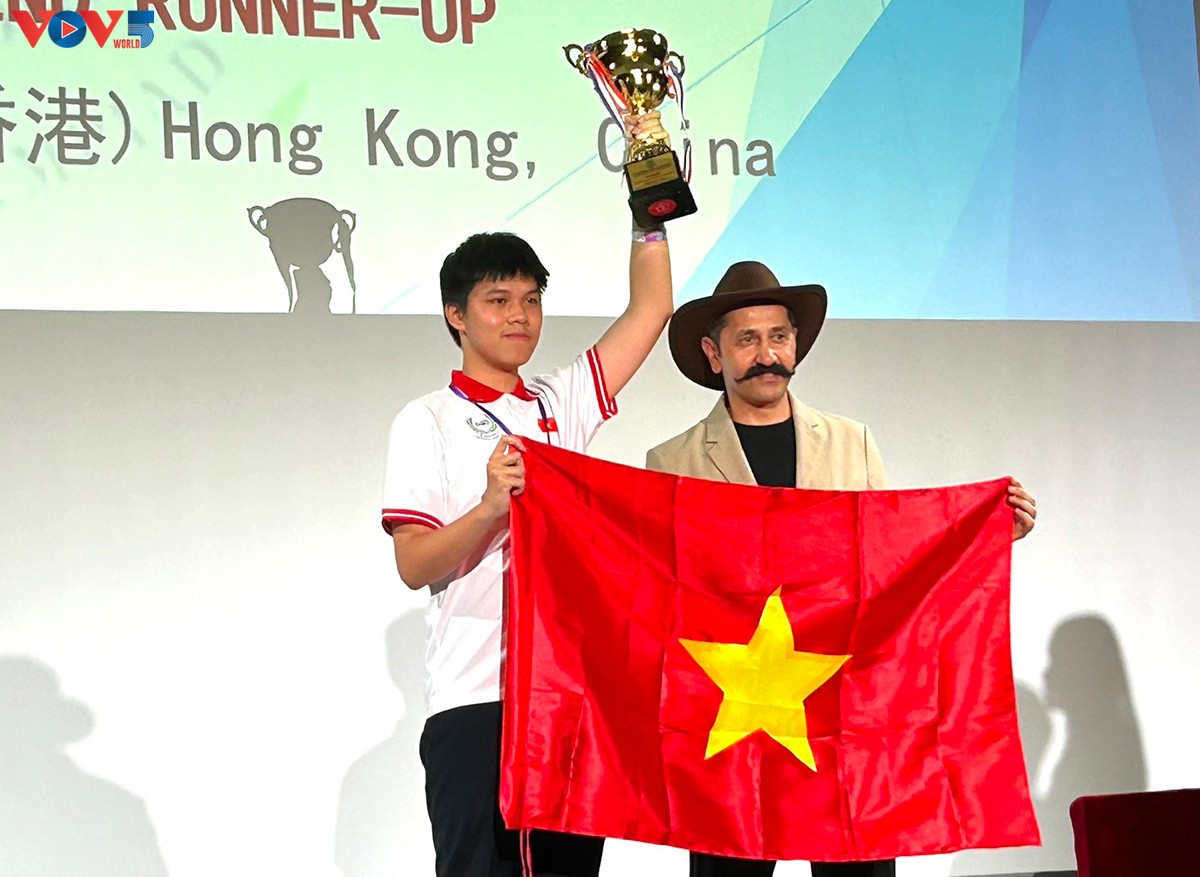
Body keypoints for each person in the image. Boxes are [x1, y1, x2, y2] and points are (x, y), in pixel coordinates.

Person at [645, 260, 1037, 877]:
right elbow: (659, 589)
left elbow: (895, 562)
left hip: (846, 707)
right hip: (733, 711)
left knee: (855, 862)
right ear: (713, 354)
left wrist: (985, 538)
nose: (767, 355)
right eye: (747, 340)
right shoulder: (672, 460)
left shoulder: (852, 441)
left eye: (779, 336)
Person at [379, 116, 675, 877]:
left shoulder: (559, 402)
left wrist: (649, 208)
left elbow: (650, 313)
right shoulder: (427, 420)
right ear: (456, 314)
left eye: (532, 299)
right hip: (476, 701)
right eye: (498, 299)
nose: (519, 316)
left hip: (569, 696)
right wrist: (489, 509)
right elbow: (414, 564)